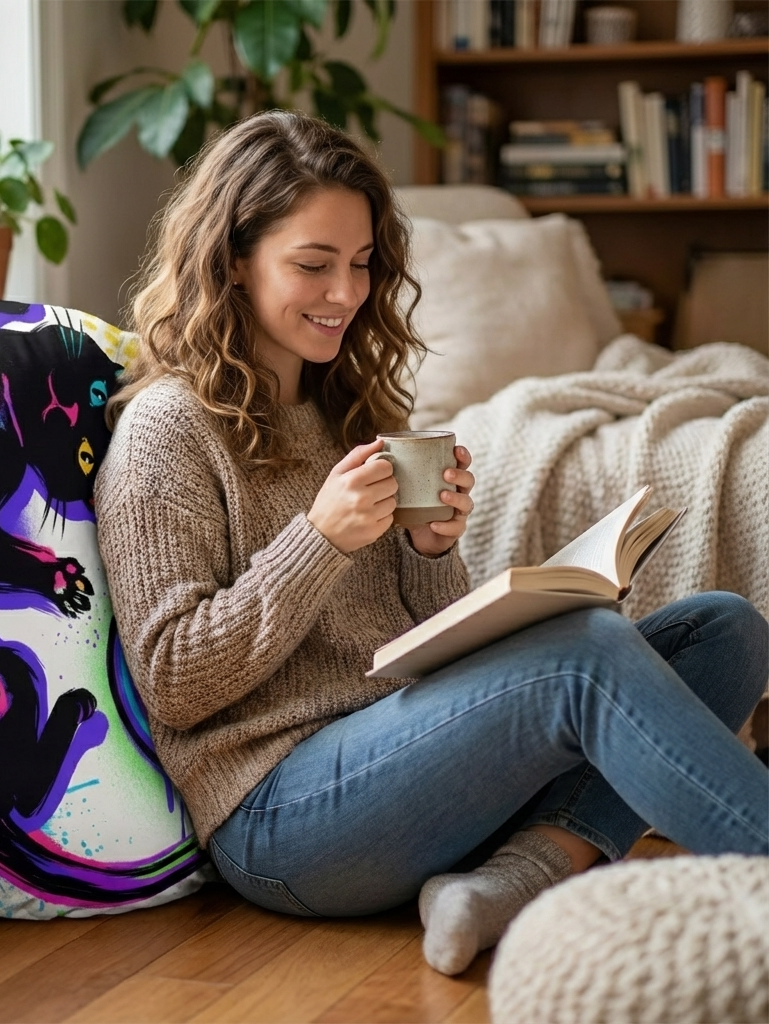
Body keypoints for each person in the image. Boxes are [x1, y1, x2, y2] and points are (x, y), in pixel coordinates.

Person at [95, 110, 768, 975]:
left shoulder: (350, 413)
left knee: (725, 629)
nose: (346, 293)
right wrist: (320, 541)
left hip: (402, 771)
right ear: (232, 258)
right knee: (584, 658)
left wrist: (432, 553)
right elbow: (175, 679)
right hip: (277, 815)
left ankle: (499, 889)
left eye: (363, 264)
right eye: (313, 264)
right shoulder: (168, 430)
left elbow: (430, 655)